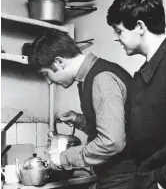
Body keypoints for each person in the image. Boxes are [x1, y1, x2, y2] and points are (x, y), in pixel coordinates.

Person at [107, 0, 166, 189]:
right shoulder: (149, 70)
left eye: (119, 30)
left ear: (140, 26)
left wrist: (159, 183)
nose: (116, 37)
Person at [29, 29, 136, 189]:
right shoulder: (90, 77)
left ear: (59, 62)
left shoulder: (101, 79)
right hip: (115, 177)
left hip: (124, 179)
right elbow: (115, 127)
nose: (49, 82)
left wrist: (63, 158)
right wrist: (79, 121)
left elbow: (112, 142)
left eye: (46, 73)